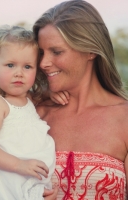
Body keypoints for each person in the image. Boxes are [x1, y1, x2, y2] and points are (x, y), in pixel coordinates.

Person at [33, 0, 128, 199]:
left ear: (91, 51)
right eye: (41, 53)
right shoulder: (33, 113)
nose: (43, 63)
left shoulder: (124, 119)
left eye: (56, 52)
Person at [0, 25, 68, 200]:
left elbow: (34, 96)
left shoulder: (29, 101)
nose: (19, 73)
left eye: (27, 67)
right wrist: (19, 165)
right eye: (10, 65)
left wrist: (49, 93)